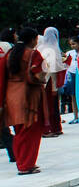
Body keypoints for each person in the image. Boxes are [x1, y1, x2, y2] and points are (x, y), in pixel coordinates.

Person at [6, 29, 46, 173]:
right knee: (31, 131)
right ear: (34, 39)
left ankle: (22, 162)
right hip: (29, 95)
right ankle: (26, 165)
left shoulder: (10, 54)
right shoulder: (33, 54)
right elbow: (39, 76)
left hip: (12, 95)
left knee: (19, 131)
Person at [37, 27, 64, 138]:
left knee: (45, 105)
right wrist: (54, 88)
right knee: (51, 105)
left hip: (41, 81)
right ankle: (51, 128)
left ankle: (49, 127)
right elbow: (53, 71)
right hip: (49, 82)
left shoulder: (41, 47)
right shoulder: (53, 49)